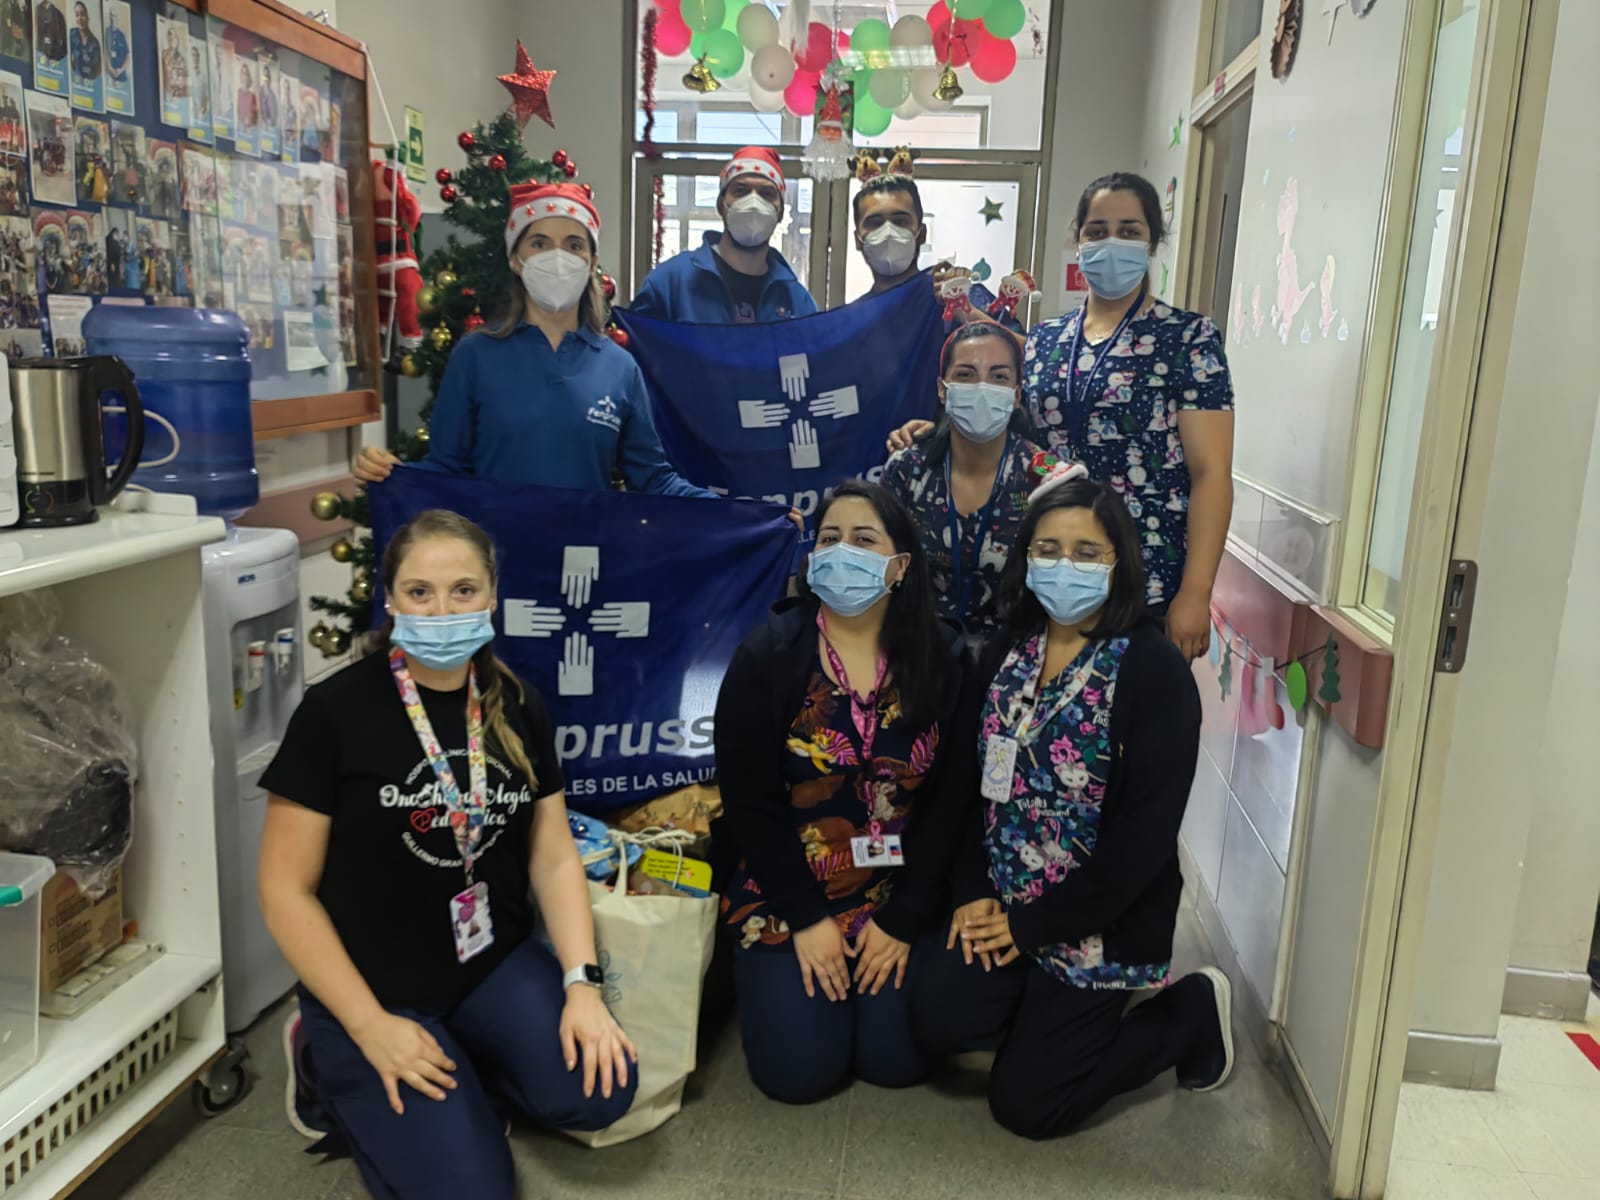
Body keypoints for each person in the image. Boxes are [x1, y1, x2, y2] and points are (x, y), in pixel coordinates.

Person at [258, 509, 638, 1199]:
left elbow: (552, 858)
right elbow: (285, 889)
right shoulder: (334, 713)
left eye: (464, 590)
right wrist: (370, 1026)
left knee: (604, 1089)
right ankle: (323, 1059)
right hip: (374, 987)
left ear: (493, 597)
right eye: (420, 592)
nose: (442, 609)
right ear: (390, 598)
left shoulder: (517, 703)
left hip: (486, 962)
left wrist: (583, 987)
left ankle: (459, 1077)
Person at [910, 465, 1232, 1140]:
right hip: (1005, 897)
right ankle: (1049, 1011)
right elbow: (974, 785)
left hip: (1097, 918)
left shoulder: (1153, 674)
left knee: (1027, 1106)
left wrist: (1032, 929)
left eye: (1087, 553)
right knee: (934, 1019)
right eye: (1049, 550)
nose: (1065, 567)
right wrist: (972, 887)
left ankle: (1189, 1014)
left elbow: (1138, 848)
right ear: (1025, 558)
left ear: (1120, 563)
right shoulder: (1007, 651)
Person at [888, 172, 1235, 658]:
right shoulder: (1048, 340)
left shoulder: (1188, 339)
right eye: (1096, 231)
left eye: (1129, 231)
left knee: (1128, 719)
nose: (1111, 242)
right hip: (1055, 574)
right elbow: (996, 414)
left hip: (1146, 575)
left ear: (1153, 241)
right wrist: (936, 431)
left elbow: (1212, 472)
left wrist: (1196, 593)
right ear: (1078, 238)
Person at [712, 481, 971, 1104]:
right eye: (829, 539)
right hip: (788, 888)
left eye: (864, 539)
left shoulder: (947, 660)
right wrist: (806, 918)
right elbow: (750, 804)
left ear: (900, 565)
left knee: (894, 1061)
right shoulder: (767, 659)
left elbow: (953, 802)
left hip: (898, 888)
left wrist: (905, 918)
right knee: (799, 1075)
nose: (842, 551)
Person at [353, 181, 715, 499]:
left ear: (591, 262)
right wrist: (389, 472)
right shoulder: (476, 355)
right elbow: (448, 470)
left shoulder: (619, 368)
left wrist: (738, 514)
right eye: (539, 243)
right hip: (496, 561)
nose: (557, 257)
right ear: (515, 259)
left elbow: (652, 479)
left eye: (574, 245)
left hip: (584, 563)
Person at [880, 322, 1043, 646]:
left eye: (998, 376)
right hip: (919, 656)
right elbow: (881, 566)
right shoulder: (907, 469)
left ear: (1016, 394)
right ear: (943, 389)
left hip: (1013, 663)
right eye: (966, 374)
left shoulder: (1043, 475)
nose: (982, 387)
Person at [630, 146, 816, 324]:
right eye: (741, 191)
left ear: (780, 212)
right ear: (721, 205)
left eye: (767, 193)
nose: (753, 202)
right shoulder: (671, 283)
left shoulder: (797, 302)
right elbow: (636, 346)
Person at [69, 2, 100, 82]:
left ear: (88, 17)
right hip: (74, 82)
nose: (79, 18)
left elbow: (96, 72)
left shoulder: (95, 44)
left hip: (88, 86)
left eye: (82, 14)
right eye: (77, 15)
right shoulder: (71, 35)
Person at [105, 6, 128, 82]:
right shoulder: (106, 33)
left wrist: (120, 70)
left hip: (121, 75)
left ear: (117, 18)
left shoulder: (121, 35)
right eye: (111, 15)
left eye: (114, 16)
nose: (113, 18)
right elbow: (104, 53)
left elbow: (128, 57)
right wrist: (110, 67)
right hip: (109, 75)